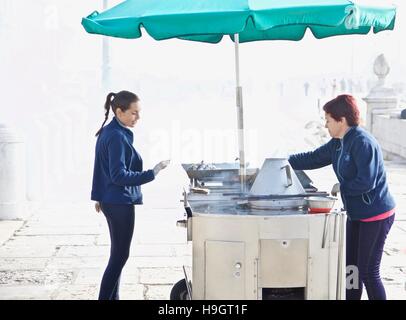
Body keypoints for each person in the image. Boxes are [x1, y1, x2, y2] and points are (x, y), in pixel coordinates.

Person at [288, 94, 396, 300]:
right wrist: (284, 161)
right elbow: (313, 157)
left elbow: (367, 181)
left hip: (376, 214)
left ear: (341, 119)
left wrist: (341, 186)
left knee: (368, 271)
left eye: (328, 120)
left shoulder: (362, 142)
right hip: (356, 214)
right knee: (351, 268)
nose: (326, 125)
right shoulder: (337, 142)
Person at [91, 90, 169, 300]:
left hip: (111, 200)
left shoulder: (109, 131)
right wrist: (152, 173)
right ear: (119, 111)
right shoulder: (116, 136)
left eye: (139, 112)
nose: (138, 117)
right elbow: (118, 175)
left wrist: (100, 196)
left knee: (117, 256)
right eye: (134, 113)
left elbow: (101, 167)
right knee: (119, 257)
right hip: (118, 202)